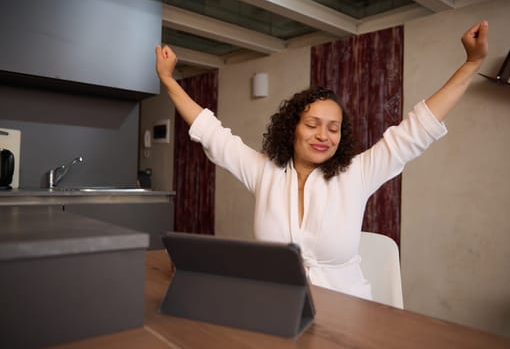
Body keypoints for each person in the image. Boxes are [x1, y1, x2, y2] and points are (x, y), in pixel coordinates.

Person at [155, 21, 489, 301]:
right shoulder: (264, 172)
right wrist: (169, 80)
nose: (323, 136)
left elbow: (417, 129)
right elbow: (213, 133)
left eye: (333, 128)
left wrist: (471, 64)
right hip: (278, 308)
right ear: (292, 128)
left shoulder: (357, 173)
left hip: (348, 315)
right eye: (312, 125)